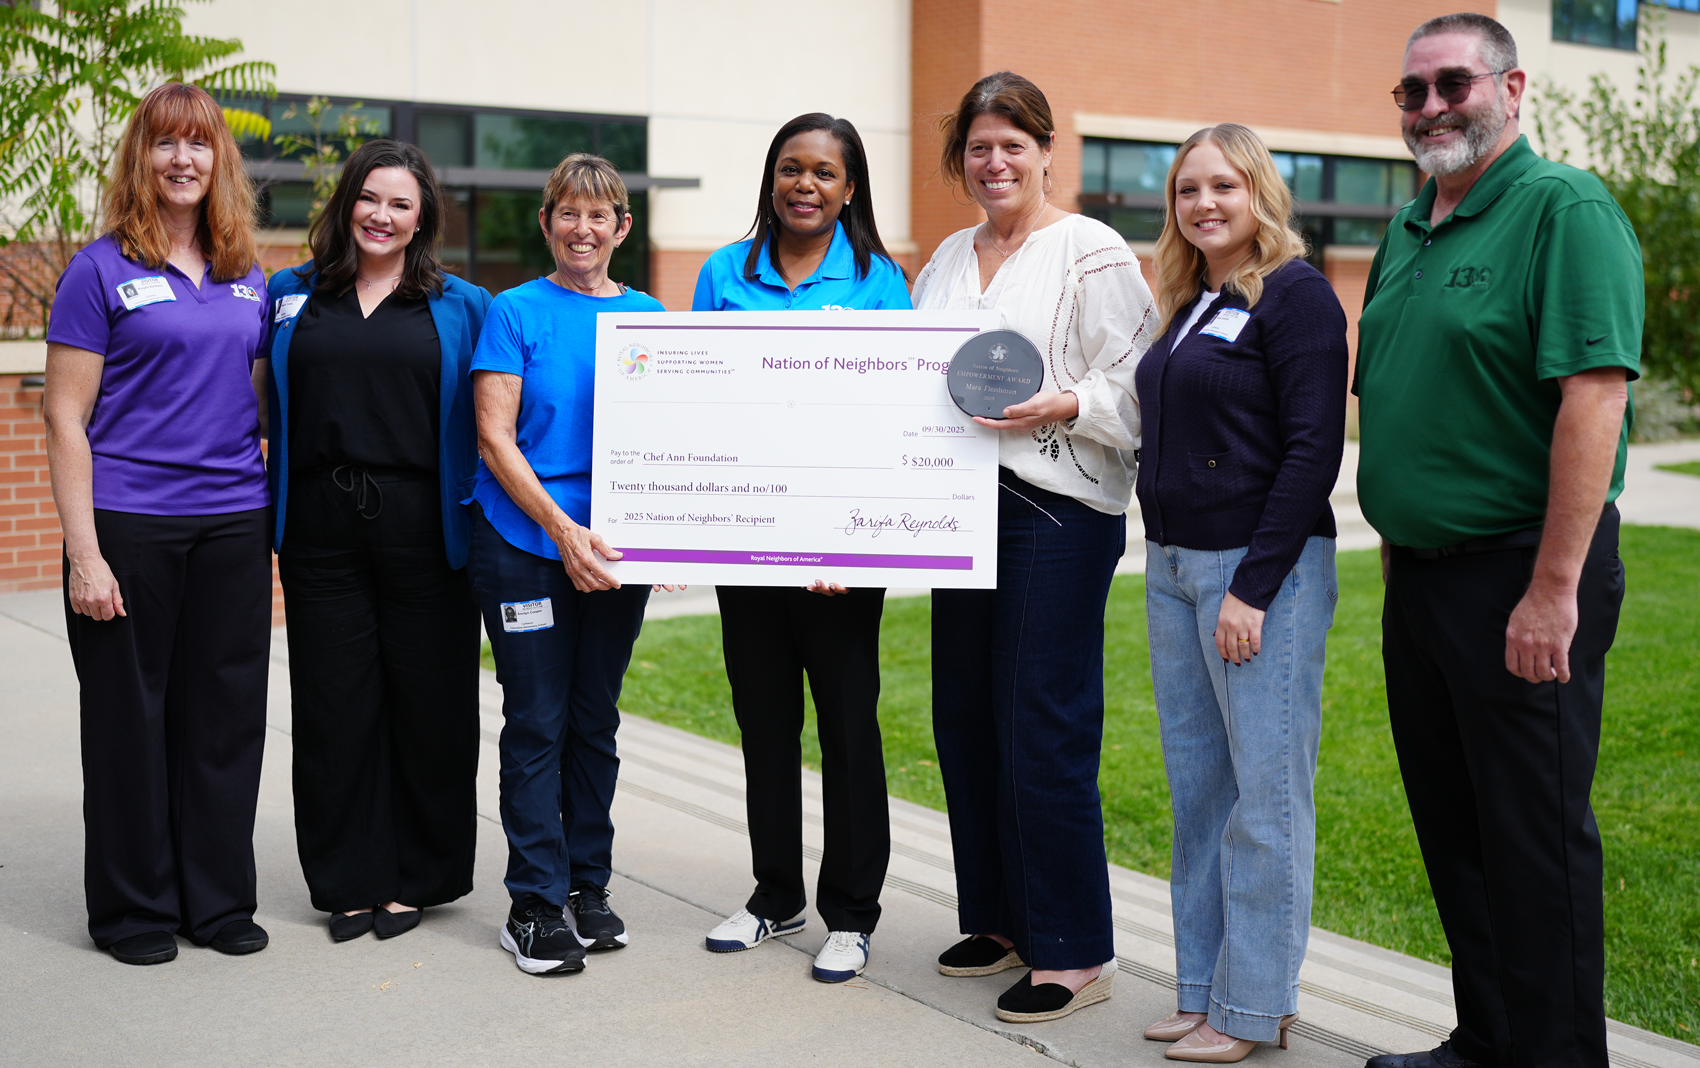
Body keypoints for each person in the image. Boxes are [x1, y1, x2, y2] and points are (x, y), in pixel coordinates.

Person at [1355, 15, 1642, 1068]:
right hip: (1420, 583)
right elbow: (1395, 399)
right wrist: (1396, 552)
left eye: (1448, 85)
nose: (1427, 108)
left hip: (1520, 576)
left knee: (1530, 842)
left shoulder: (1561, 207)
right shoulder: (1408, 224)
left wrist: (1550, 588)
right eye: (1409, 93)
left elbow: (1592, 399)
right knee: (1456, 832)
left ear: (1509, 87)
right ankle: (1487, 1040)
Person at [911, 72, 1154, 1023]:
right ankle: (1003, 917)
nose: (996, 160)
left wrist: (1067, 402)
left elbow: (1137, 388)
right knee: (965, 717)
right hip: (953, 507)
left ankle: (1073, 947)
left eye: (1014, 142)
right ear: (960, 160)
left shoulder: (1090, 251)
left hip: (1053, 507)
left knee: (1039, 722)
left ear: (1049, 150)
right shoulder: (944, 258)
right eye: (979, 145)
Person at [42, 83, 272, 965]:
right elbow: (65, 418)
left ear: (221, 162)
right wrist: (85, 555)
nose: (184, 160)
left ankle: (215, 903)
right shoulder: (98, 269)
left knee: (224, 718)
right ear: (142, 157)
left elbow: (258, 408)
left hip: (231, 528)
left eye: (200, 145)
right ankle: (134, 910)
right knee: (128, 720)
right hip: (129, 525)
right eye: (166, 144)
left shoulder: (245, 270)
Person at [1135, 124, 1347, 1062]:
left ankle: (1256, 1008)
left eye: (1223, 185)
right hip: (1176, 567)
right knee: (1200, 794)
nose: (1204, 204)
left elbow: (1314, 449)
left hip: (1258, 571)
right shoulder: (1191, 300)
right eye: (1188, 190)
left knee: (1264, 798)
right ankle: (1202, 988)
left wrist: (1253, 589)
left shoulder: (1295, 296)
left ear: (1259, 190)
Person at [692, 113, 912, 984]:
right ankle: (775, 894)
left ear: (849, 187)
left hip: (839, 556)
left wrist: (852, 545)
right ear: (771, 179)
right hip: (749, 545)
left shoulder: (878, 280)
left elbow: (893, 417)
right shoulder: (723, 272)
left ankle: (851, 914)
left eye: (824, 172)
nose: (805, 185)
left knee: (848, 726)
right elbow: (697, 398)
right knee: (764, 722)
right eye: (791, 169)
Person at [263, 139, 492, 943]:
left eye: (400, 203)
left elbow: (499, 418)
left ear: (422, 215)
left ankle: (417, 876)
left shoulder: (462, 303)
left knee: (430, 704)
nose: (382, 215)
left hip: (425, 524)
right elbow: (259, 402)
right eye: (369, 198)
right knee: (333, 707)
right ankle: (347, 878)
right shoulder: (291, 292)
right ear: (346, 202)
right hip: (319, 525)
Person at [469, 154, 665, 976]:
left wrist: (675, 531)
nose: (583, 229)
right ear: (547, 223)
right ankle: (534, 903)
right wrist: (562, 531)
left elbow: (674, 444)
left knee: (596, 718)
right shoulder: (514, 313)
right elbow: (494, 437)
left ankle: (589, 887)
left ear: (623, 228)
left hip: (617, 550)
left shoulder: (653, 316)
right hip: (524, 545)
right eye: (567, 214)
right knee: (538, 718)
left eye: (600, 216)